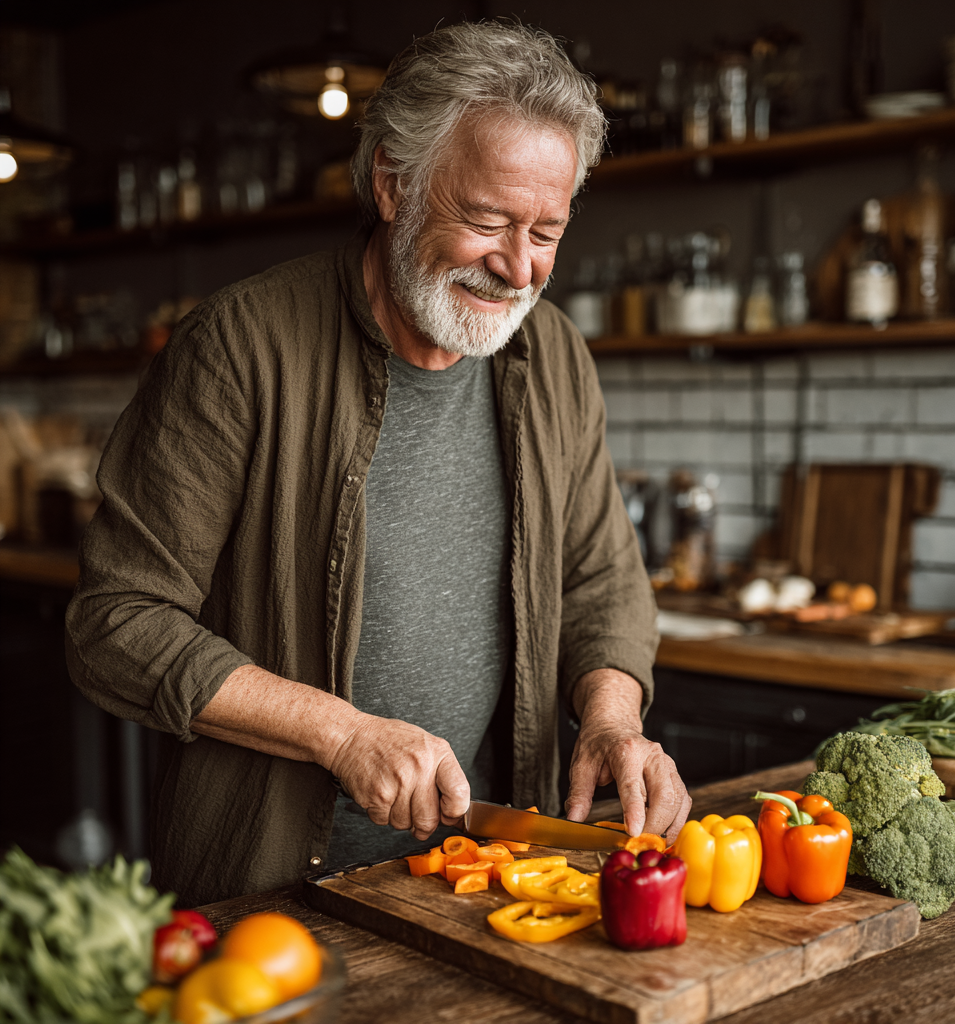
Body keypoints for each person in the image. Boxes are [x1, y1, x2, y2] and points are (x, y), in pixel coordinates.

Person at [66, 21, 689, 907]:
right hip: (270, 895)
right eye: (486, 221)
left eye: (547, 230)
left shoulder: (554, 356)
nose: (519, 268)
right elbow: (116, 624)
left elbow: (601, 583)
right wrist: (339, 733)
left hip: (495, 886)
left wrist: (612, 720)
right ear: (395, 185)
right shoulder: (241, 346)